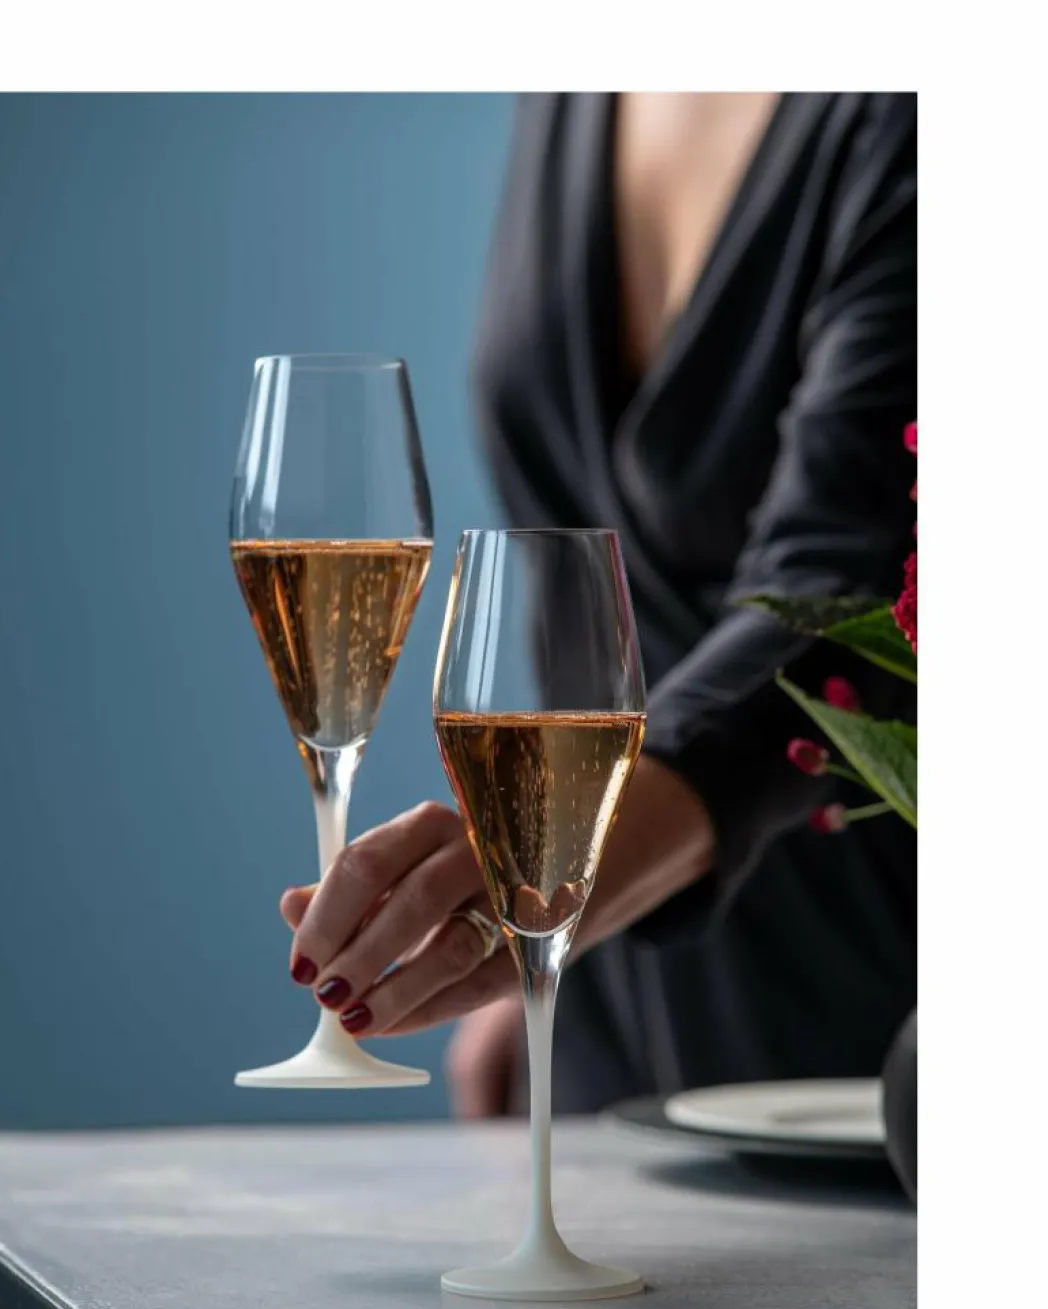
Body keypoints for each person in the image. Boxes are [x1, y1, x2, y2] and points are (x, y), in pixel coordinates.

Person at [280, 92, 917, 1119]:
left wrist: (561, 868)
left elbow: (852, 583)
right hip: (595, 990)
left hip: (853, 1003)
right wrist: (529, 946)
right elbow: (575, 548)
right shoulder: (572, 90)